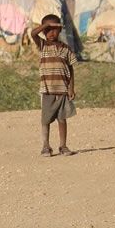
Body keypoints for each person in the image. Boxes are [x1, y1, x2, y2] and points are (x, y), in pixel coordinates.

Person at [30, 14, 78, 157]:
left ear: (60, 30)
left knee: (62, 119)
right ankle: (46, 146)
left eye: (54, 30)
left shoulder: (66, 49)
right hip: (47, 90)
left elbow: (71, 69)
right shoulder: (43, 45)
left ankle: (63, 146)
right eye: (48, 30)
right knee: (46, 119)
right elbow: (33, 33)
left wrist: (71, 87)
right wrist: (46, 26)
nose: (51, 33)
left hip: (62, 90)